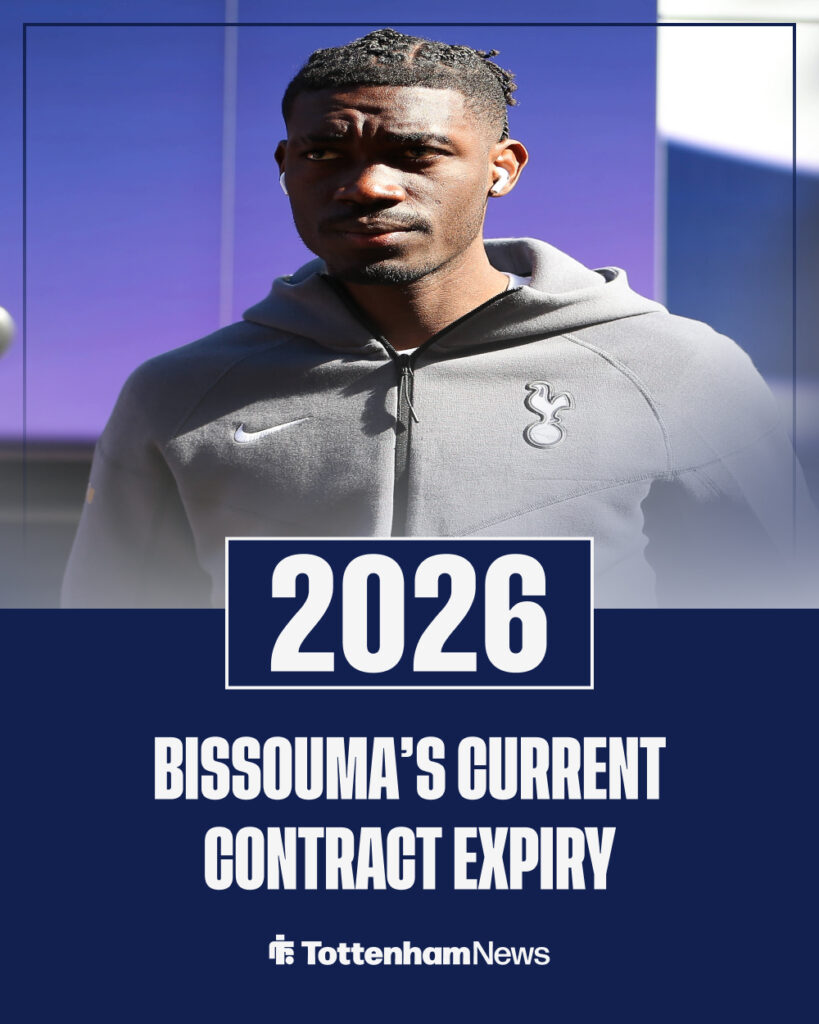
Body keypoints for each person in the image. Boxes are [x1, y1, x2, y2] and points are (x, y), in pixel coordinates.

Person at [62, 28, 817, 609]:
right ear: (285, 166)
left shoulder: (676, 369)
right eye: (324, 153)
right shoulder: (178, 393)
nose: (367, 186)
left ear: (501, 167)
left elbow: (774, 624)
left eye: (417, 154)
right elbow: (112, 655)